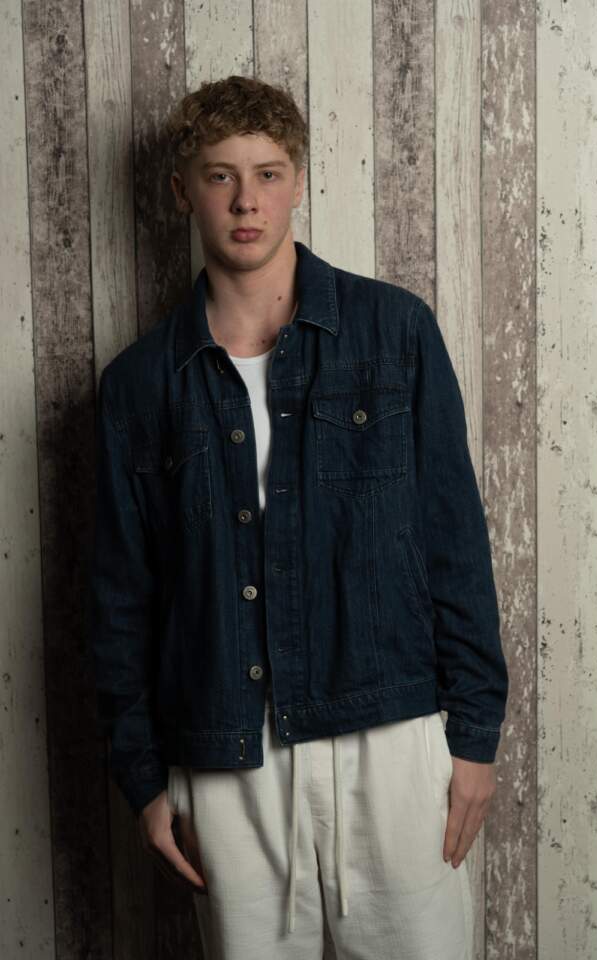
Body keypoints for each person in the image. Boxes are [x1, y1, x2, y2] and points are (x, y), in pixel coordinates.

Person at [86, 74, 509, 959]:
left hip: (388, 739)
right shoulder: (137, 386)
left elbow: (453, 541)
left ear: (300, 182)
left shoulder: (394, 332)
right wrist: (144, 782)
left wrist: (473, 737)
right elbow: (122, 599)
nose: (246, 200)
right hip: (227, 755)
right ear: (183, 191)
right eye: (220, 176)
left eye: (268, 174)